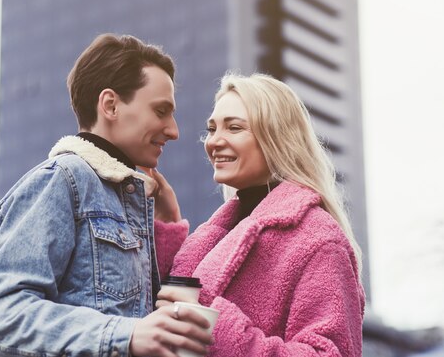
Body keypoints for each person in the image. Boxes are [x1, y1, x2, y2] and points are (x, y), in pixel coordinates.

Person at [0, 33, 212, 357]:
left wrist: (167, 230)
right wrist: (123, 336)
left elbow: (153, 326)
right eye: (161, 111)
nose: (174, 130)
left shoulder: (127, 200)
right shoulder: (62, 181)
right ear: (110, 105)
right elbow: (0, 315)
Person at [151, 73, 366, 356]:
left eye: (234, 128)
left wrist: (215, 329)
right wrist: (165, 224)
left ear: (276, 136)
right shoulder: (215, 236)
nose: (214, 141)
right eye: (212, 129)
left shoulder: (319, 241)